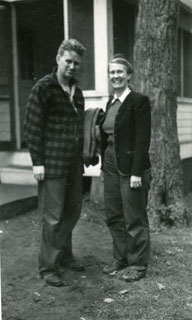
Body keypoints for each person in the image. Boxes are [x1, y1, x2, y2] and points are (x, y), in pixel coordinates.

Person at [24, 39, 86, 287]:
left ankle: (65, 255)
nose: (72, 66)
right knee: (52, 217)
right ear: (58, 58)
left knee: (72, 211)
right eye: (68, 61)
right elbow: (32, 127)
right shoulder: (44, 88)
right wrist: (37, 162)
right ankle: (48, 266)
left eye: (76, 63)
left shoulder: (77, 91)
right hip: (51, 164)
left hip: (74, 164)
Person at [100, 54, 151, 282]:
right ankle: (120, 258)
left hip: (131, 166)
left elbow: (142, 139)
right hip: (111, 164)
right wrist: (103, 166)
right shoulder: (111, 102)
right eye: (112, 72)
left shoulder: (138, 101)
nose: (116, 76)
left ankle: (138, 264)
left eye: (120, 72)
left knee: (133, 216)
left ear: (129, 75)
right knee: (113, 214)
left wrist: (136, 172)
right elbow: (107, 137)